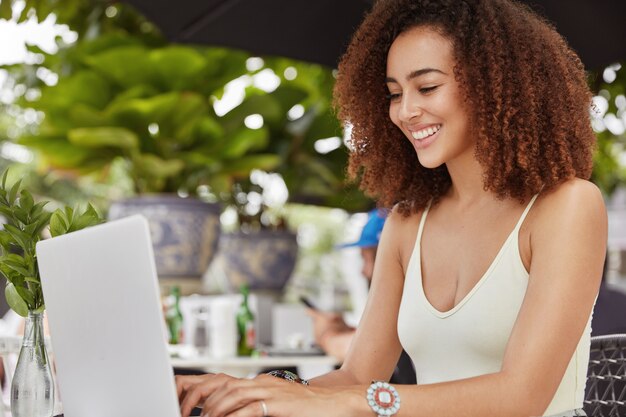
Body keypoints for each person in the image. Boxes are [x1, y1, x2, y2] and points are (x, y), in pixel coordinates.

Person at [176, 1, 607, 416]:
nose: (405, 111)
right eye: (394, 93)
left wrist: (348, 402)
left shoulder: (566, 207)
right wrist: (247, 391)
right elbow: (359, 374)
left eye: (427, 87)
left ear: (495, 84)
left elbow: (520, 398)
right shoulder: (406, 222)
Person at [307, 209, 416, 384]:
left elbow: (364, 355)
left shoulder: (411, 309)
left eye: (367, 259)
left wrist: (325, 333)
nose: (363, 271)